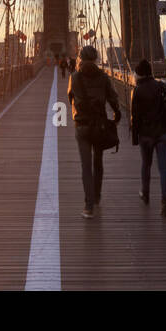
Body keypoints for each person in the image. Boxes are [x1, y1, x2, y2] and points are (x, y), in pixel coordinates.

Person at [67, 44, 120, 218]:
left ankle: (88, 206)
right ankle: (97, 196)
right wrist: (117, 115)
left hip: (82, 126)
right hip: (99, 125)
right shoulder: (104, 77)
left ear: (80, 58)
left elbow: (70, 98)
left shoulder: (74, 77)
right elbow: (113, 99)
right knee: (98, 162)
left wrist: (78, 112)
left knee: (86, 166)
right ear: (96, 58)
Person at [129, 58, 166, 217]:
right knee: (164, 169)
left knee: (146, 165)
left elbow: (135, 117)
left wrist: (135, 138)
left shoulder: (137, 91)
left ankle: (145, 193)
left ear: (139, 74)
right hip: (163, 134)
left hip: (146, 135)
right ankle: (165, 202)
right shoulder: (161, 86)